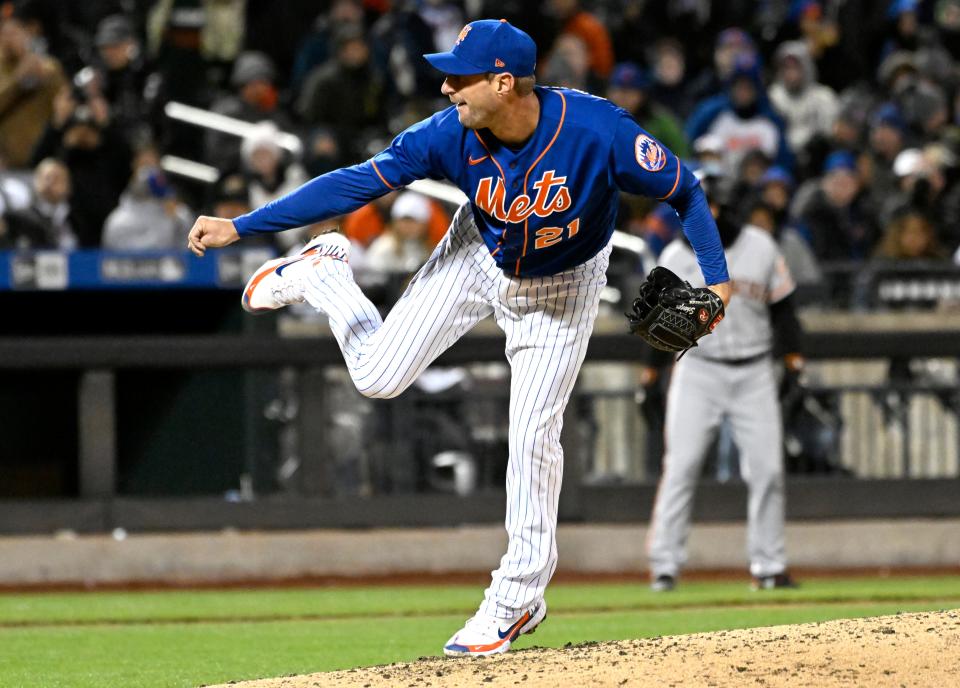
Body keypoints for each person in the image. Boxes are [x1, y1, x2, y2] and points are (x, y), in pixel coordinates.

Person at [187, 19, 730, 657]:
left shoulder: (596, 131)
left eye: (460, 76)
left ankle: (516, 599)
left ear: (505, 83)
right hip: (477, 253)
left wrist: (717, 286)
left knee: (533, 437)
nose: (445, 87)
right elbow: (358, 181)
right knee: (377, 377)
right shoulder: (449, 133)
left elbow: (686, 191)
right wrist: (243, 226)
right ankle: (326, 274)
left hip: (563, 288)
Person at [646, 180, 802, 593]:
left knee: (767, 469)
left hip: (754, 371)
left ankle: (769, 565)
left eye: (712, 203)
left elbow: (785, 311)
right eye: (697, 205)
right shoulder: (677, 254)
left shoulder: (761, 246)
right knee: (680, 466)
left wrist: (794, 364)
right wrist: (649, 377)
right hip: (698, 369)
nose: (707, 212)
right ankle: (665, 565)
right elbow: (661, 326)